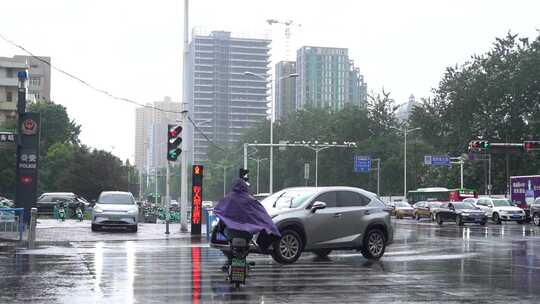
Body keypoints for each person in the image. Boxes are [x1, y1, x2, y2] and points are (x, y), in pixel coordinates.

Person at [213, 169, 280, 258]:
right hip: (247, 234)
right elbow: (263, 216)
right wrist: (272, 229)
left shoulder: (229, 199)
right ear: (245, 187)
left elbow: (218, 210)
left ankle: (231, 259)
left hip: (230, 233)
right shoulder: (251, 200)